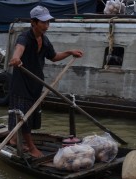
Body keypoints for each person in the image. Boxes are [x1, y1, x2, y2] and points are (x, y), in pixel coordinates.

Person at [8, 5, 83, 158]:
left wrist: (69, 52)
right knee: (23, 116)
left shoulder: (44, 39)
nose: (46, 25)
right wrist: (16, 59)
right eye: (43, 22)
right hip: (22, 83)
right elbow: (18, 50)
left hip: (36, 82)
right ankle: (31, 146)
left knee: (32, 115)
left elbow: (54, 57)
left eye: (48, 22)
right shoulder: (24, 37)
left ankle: (14, 138)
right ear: (33, 22)